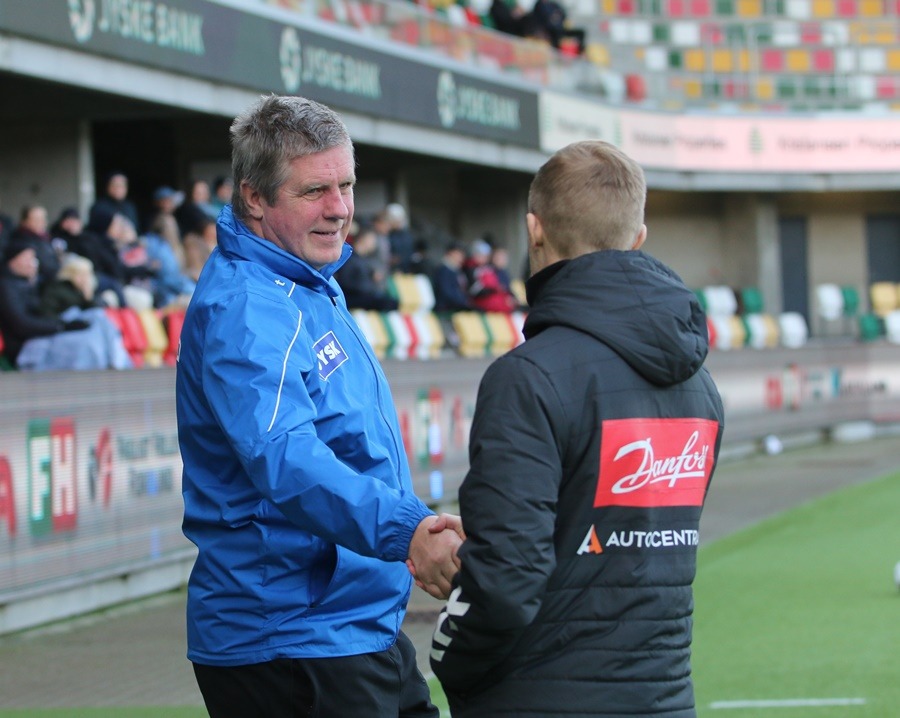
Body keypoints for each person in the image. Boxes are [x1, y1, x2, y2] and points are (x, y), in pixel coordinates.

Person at [175, 93, 463, 718]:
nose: (339, 209)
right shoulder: (250, 308)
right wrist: (407, 530)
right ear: (254, 197)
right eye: (314, 192)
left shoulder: (306, 281)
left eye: (346, 185)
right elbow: (286, 458)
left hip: (348, 623)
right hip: (289, 638)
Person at [430, 140, 725, 717]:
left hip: (537, 696)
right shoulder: (700, 384)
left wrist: (450, 656)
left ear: (533, 230)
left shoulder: (526, 377)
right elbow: (621, 533)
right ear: (639, 237)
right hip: (664, 698)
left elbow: (510, 576)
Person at [335, 224, 399, 311]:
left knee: (391, 301)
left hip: (364, 294)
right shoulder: (349, 257)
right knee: (388, 302)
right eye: (372, 240)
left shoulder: (364, 259)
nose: (374, 243)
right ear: (364, 239)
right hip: (352, 296)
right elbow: (345, 281)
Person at [431, 241, 471, 312]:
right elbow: (446, 292)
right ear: (450, 253)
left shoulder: (457, 271)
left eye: (462, 254)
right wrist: (463, 303)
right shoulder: (443, 270)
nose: (460, 257)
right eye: (458, 254)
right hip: (445, 310)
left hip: (456, 308)